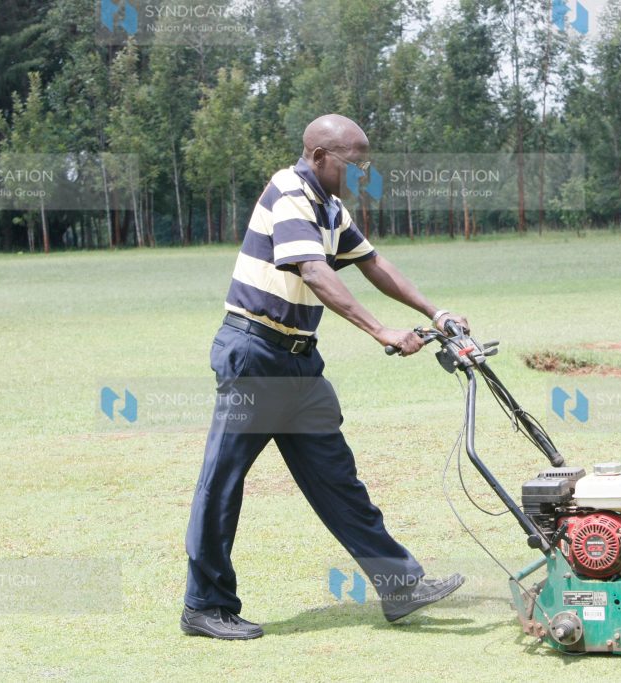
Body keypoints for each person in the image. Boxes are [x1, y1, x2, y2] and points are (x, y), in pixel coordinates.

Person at [181, 114, 469, 640]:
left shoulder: (331, 208)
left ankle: (399, 585)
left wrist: (435, 311)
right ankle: (205, 605)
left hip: (298, 361)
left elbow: (373, 263)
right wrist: (381, 330)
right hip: (255, 353)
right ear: (319, 157)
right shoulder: (289, 192)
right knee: (222, 484)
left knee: (338, 480)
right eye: (354, 164)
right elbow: (314, 271)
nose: (362, 174)